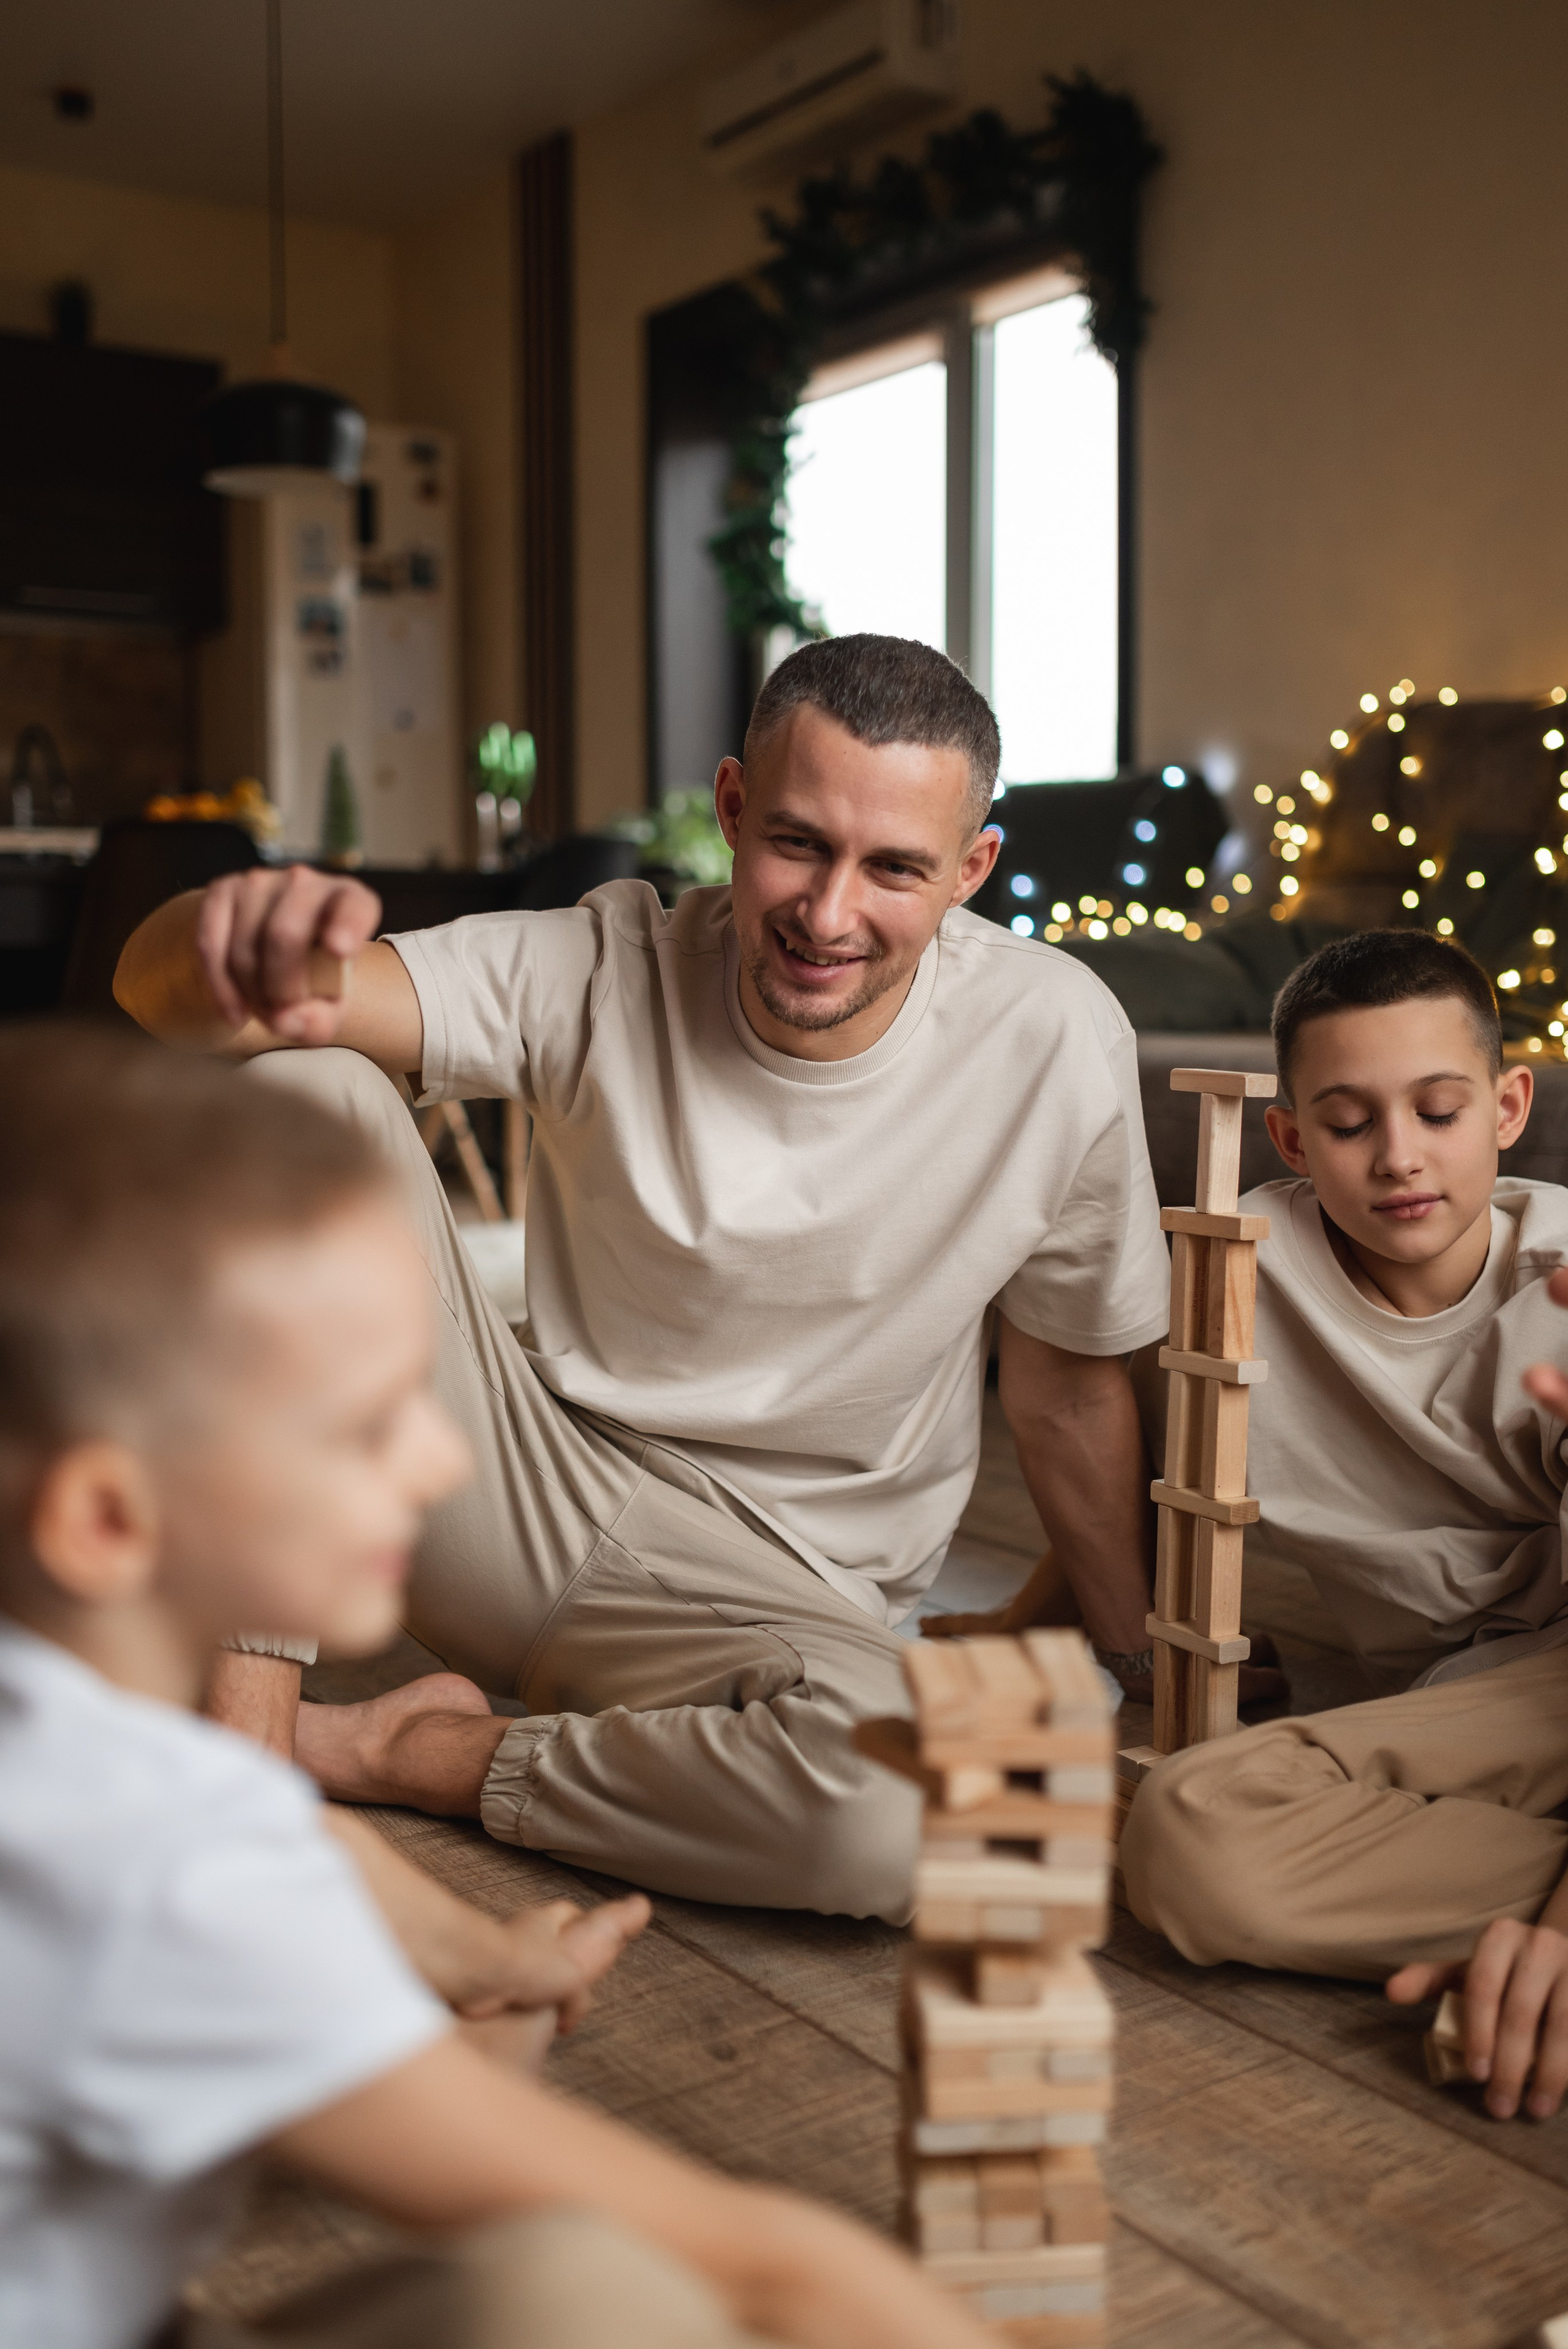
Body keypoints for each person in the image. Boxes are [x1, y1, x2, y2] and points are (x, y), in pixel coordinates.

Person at [115, 634, 1171, 1920]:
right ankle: (240, 1759)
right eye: (795, 841)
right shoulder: (603, 961)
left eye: (891, 867)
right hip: (525, 1499)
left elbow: (1066, 1391)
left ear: (968, 870)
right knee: (304, 1086)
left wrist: (1136, 1652)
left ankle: (398, 1751)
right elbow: (170, 997)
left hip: (785, 1600)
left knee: (901, 1807)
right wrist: (217, 931)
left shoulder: (1054, 1038)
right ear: (731, 809)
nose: (827, 915)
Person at [0, 1022, 988, 2349]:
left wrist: (486, 1958)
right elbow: (762, 2270)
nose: (431, 1459)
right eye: (361, 1424)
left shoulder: (71, 1743)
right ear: (110, 1520)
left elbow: (249, 1830)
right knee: (601, 2293)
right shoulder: (164, 1885)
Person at [1119, 927, 1568, 2122]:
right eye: (1348, 1121)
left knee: (1187, 1814)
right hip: (1437, 1705)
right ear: (1289, 1137)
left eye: (1436, 1110)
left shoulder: (1559, 1289)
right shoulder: (1237, 1271)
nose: (1397, 1158)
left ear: (1505, 1105)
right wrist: (1041, 1626)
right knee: (1192, 1843)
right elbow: (1134, 1459)